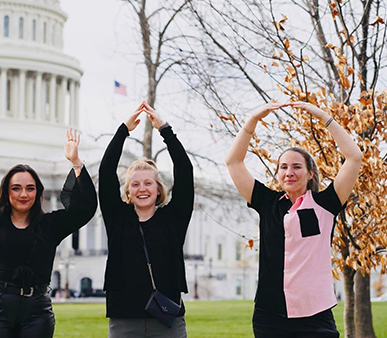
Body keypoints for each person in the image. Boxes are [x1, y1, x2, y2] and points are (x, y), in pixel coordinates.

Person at [0, 124, 97, 338]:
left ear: (38, 192)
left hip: (37, 311)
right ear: (6, 192)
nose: (24, 194)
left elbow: (84, 209)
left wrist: (76, 163)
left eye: (30, 188)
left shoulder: (50, 225)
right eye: (16, 188)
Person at [224, 101, 362, 337]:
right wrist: (253, 119)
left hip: (315, 315)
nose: (289, 172)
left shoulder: (326, 204)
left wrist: (321, 115)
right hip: (270, 315)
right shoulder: (267, 203)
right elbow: (233, 162)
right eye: (283, 167)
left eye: (296, 167)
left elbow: (354, 157)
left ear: (310, 174)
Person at [99, 101, 194, 338]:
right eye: (135, 184)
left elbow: (185, 170)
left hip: (167, 320)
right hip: (124, 321)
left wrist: (165, 130)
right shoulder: (117, 218)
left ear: (158, 188)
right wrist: (123, 130)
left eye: (148, 183)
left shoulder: (173, 219)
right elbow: (105, 171)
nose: (142, 189)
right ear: (128, 192)